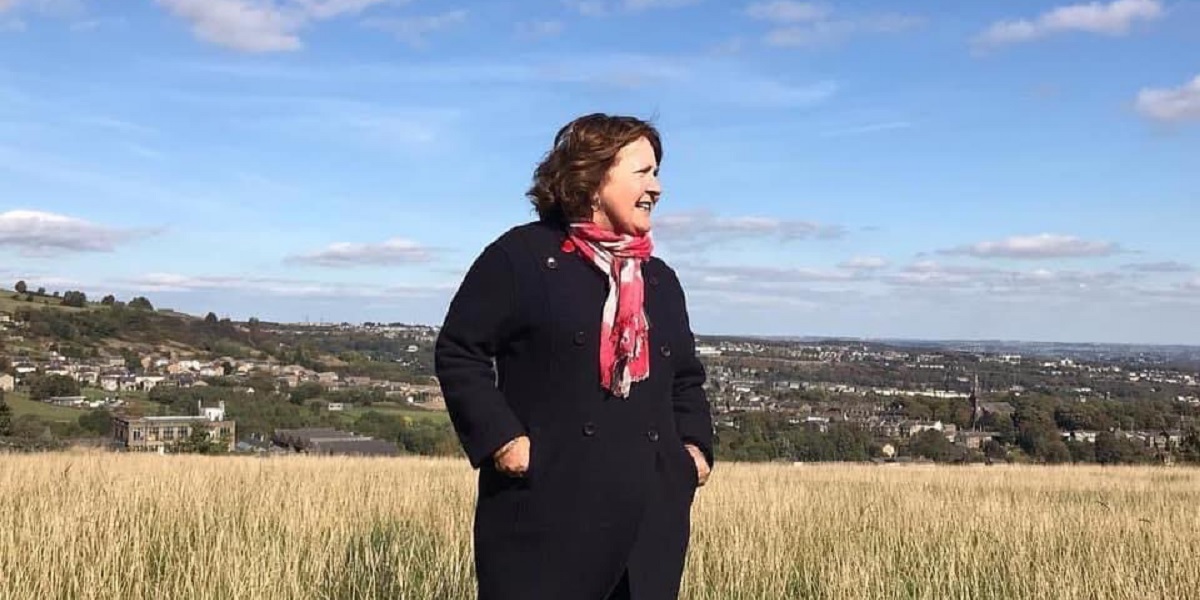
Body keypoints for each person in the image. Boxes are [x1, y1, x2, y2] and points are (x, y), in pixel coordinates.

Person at [435, 112, 714, 600]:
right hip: (545, 520)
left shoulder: (659, 280)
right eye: (643, 172)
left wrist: (693, 452)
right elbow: (460, 352)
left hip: (648, 533)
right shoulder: (519, 258)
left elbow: (686, 380)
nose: (658, 187)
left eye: (657, 172)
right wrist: (504, 443)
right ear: (593, 177)